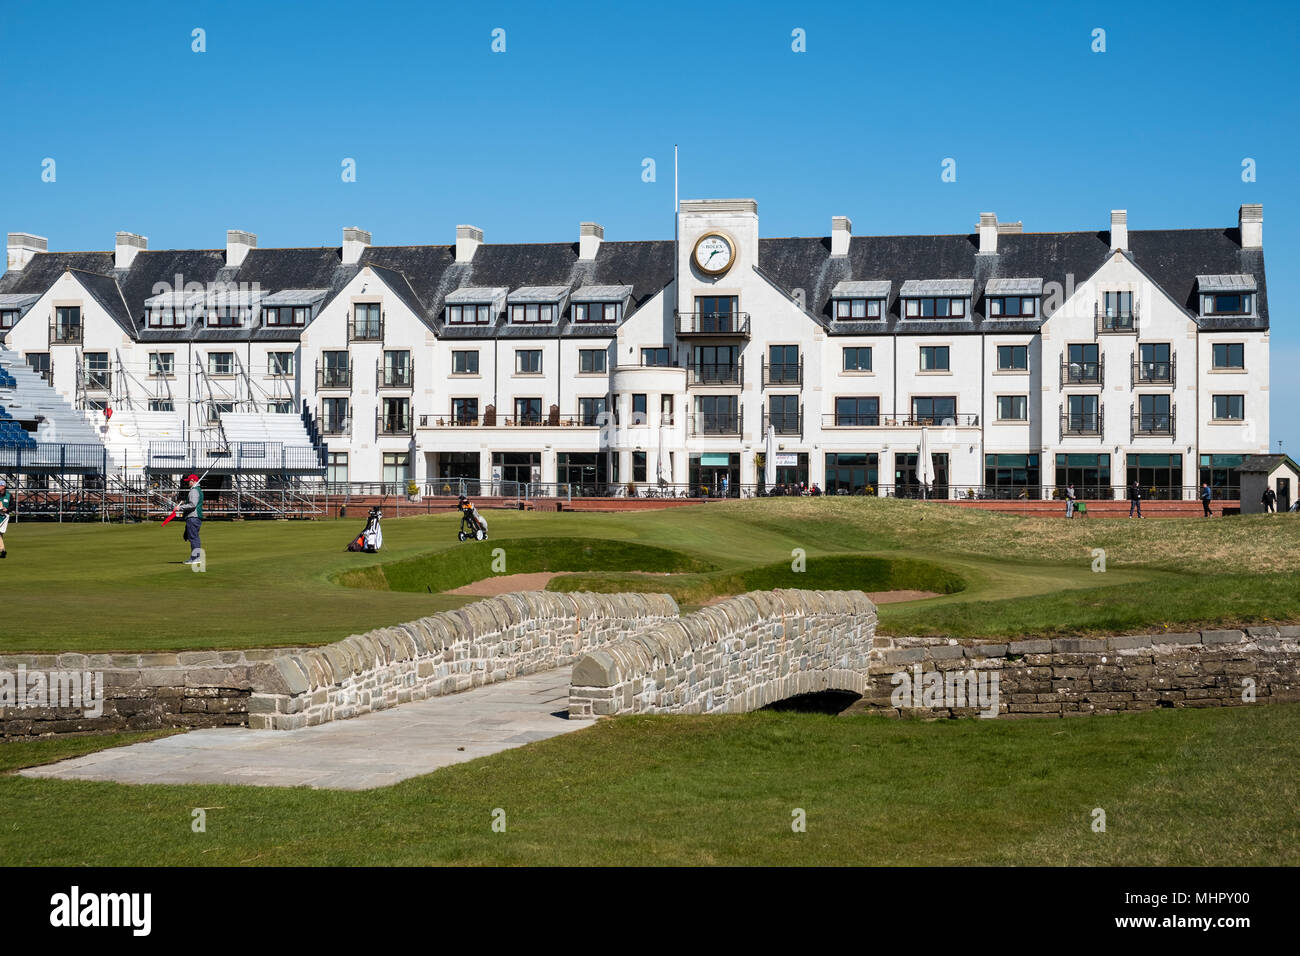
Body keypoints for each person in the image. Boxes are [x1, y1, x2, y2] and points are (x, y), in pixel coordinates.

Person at [178, 473, 204, 564]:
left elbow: (192, 505)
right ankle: (196, 557)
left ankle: (195, 557)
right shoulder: (197, 490)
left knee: (193, 537)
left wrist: (180, 507)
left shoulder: (194, 491)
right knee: (193, 537)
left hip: (193, 516)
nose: (188, 482)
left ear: (193, 481)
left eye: (189, 481)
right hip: (195, 517)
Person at [0, 477, 11, 558]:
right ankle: (2, 550)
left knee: (1, 533)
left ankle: (3, 550)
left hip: (4, 516)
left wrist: (7, 509)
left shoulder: (9, 495)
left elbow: (13, 505)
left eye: (1, 486)